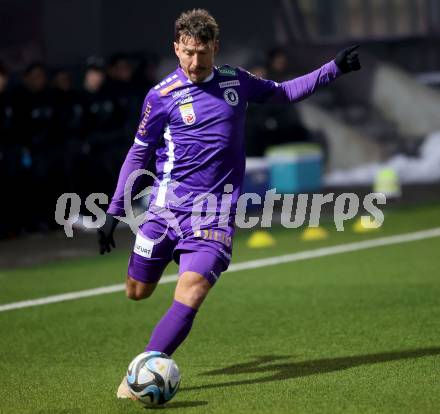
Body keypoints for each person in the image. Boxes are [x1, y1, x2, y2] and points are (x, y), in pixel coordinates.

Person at [97, 9, 360, 399]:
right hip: (165, 212)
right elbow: (138, 156)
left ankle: (144, 370)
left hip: (213, 217)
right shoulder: (161, 97)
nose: (194, 61)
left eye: (202, 53)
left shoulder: (236, 81)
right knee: (137, 292)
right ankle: (169, 260)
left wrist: (332, 69)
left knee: (193, 288)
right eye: (187, 52)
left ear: (215, 48)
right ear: (176, 47)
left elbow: (284, 92)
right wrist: (114, 212)